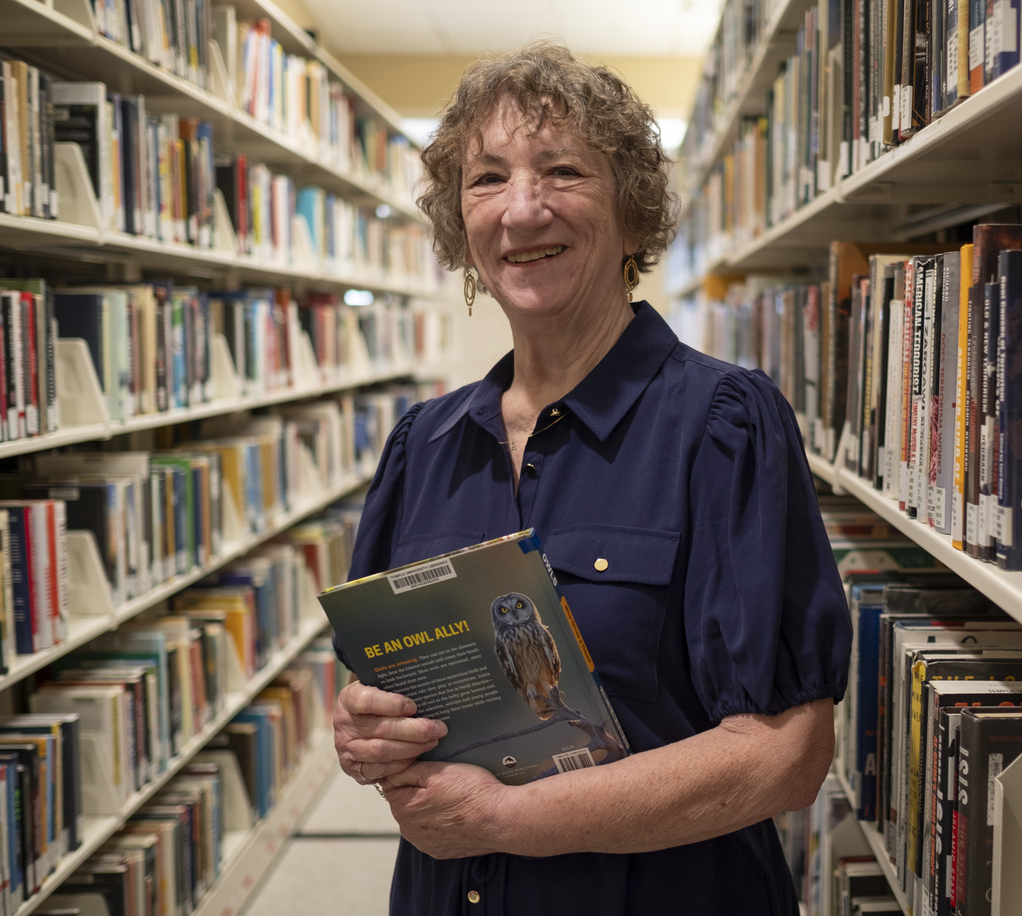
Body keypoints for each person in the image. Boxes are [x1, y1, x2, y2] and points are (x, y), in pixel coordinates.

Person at [330, 41, 852, 915]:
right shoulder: (424, 441)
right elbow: (368, 683)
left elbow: (785, 754)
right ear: (461, 225)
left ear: (634, 216)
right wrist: (362, 732)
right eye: (487, 179)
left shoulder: (724, 424)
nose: (522, 209)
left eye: (563, 170)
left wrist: (510, 818)